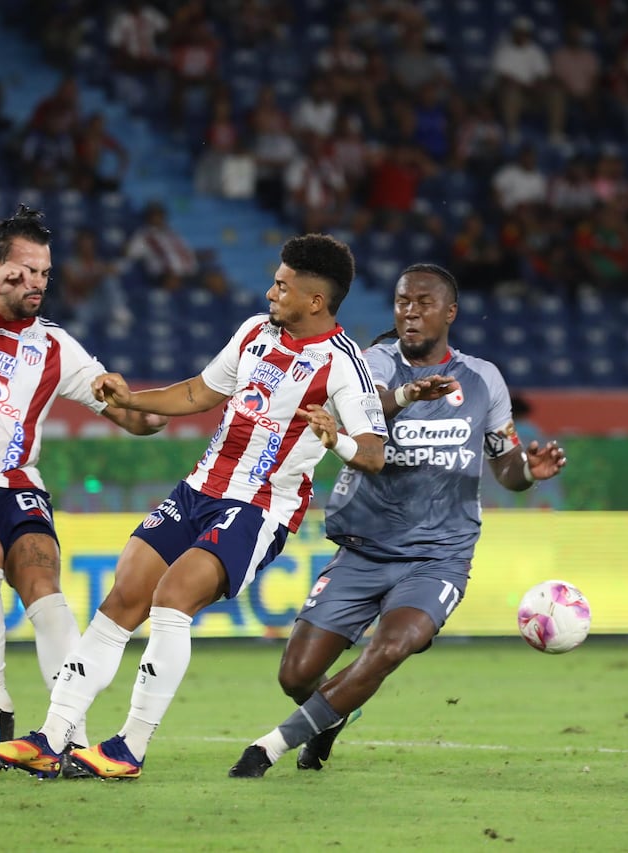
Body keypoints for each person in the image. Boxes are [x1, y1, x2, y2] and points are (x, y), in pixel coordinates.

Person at [0, 234, 389, 780]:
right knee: (123, 597)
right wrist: (129, 400)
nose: (270, 291)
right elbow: (200, 392)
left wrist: (334, 439)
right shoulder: (253, 333)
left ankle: (129, 747)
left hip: (257, 509)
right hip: (197, 490)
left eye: (282, 285)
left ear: (315, 301)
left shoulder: (345, 365)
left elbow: (374, 453)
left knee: (172, 598)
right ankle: (51, 737)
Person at [226, 263, 567, 777]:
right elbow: (364, 412)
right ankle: (331, 717)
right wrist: (407, 396)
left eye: (423, 302)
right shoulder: (372, 364)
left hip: (439, 555)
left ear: (449, 313)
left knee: (389, 648)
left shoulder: (483, 379)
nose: (410, 310)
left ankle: (268, 747)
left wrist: (527, 470)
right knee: (297, 676)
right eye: (403, 301)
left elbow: (506, 465)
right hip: (365, 546)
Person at [0, 205, 165, 767]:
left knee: (44, 584)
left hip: (17, 488)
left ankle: (70, 733)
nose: (36, 283)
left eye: (44, 272)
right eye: (23, 271)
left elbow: (133, 419)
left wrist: (147, 407)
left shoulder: (56, 346)